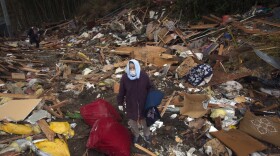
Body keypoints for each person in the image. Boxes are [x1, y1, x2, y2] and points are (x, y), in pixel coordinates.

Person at [117, 59, 153, 144]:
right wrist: (120, 103)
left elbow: (150, 87)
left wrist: (152, 98)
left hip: (144, 103)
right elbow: (121, 91)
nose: (132, 70)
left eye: (134, 68)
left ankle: (146, 134)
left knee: (145, 120)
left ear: (137, 67)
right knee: (132, 121)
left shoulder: (144, 76)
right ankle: (136, 134)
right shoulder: (125, 78)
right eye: (130, 68)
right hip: (131, 103)